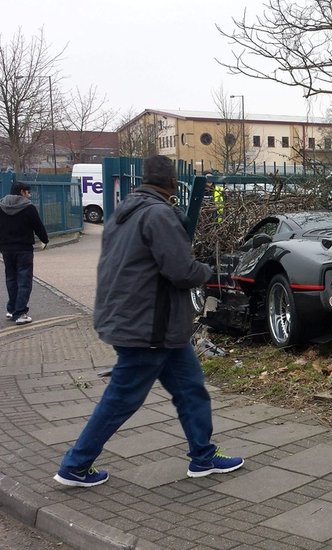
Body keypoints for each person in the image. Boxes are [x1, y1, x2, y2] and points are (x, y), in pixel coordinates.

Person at [54, 155, 243, 488]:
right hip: (148, 328)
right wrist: (207, 271)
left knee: (191, 390)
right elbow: (181, 271)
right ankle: (75, 464)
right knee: (121, 399)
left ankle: (203, 456)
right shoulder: (159, 215)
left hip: (153, 325)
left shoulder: (123, 214)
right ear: (171, 183)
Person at [0, 182, 49, 325]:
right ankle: (20, 312)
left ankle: (11, 309)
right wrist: (44, 240)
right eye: (28, 192)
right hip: (24, 249)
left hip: (7, 249)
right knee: (24, 281)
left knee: (11, 279)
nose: (29, 195)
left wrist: (1, 246)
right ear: (22, 192)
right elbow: (38, 227)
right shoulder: (29, 208)